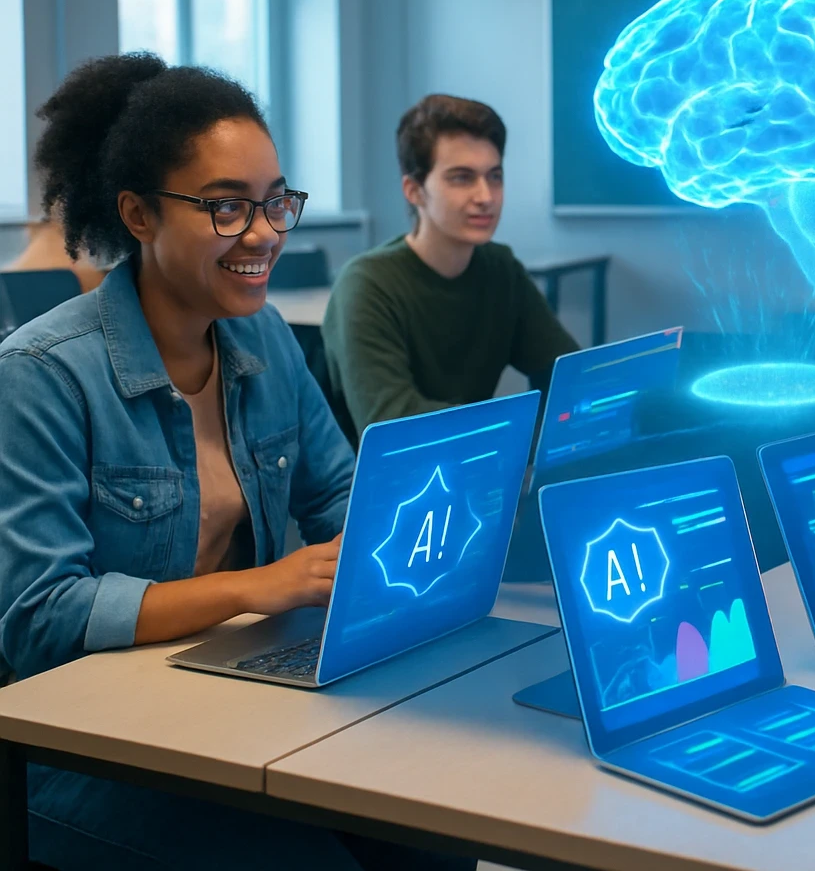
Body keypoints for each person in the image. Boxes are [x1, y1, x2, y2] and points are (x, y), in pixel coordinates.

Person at [0, 53, 469, 871]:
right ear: (138, 216)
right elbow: (41, 617)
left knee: (435, 839)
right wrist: (258, 587)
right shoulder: (41, 375)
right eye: (226, 208)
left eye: (275, 203)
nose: (264, 234)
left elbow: (344, 495)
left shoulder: (265, 343)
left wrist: (430, 540)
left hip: (231, 700)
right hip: (89, 760)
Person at [322, 94, 578, 441]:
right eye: (462, 178)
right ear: (414, 190)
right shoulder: (367, 284)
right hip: (383, 486)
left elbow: (567, 374)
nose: (485, 196)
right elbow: (395, 426)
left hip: (474, 472)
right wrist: (516, 430)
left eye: (495, 176)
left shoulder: (500, 269)